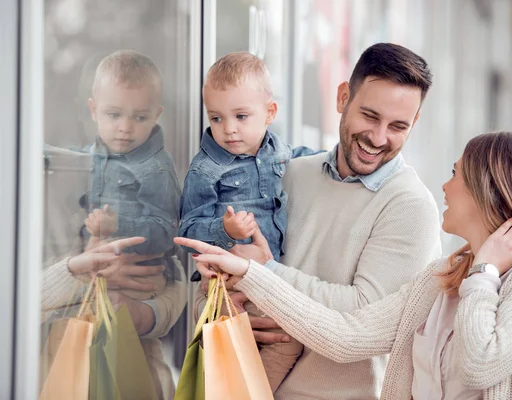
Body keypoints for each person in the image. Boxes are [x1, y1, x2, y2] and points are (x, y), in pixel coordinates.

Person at [179, 131, 512, 400]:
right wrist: (251, 273)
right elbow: (345, 336)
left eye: (456, 174)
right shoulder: (441, 278)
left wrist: (486, 273)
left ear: (489, 189)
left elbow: (480, 364)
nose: (445, 185)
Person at [192, 43, 442, 399]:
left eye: (398, 125)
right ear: (343, 97)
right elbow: (220, 275)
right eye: (370, 116)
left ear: (414, 124)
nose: (379, 137)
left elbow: (362, 315)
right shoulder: (290, 173)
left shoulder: (410, 207)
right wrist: (233, 313)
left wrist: (265, 275)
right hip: (249, 387)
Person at [178, 51, 317, 391]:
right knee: (235, 345)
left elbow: (307, 159)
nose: (229, 129)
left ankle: (252, 392)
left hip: (266, 277)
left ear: (270, 113)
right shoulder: (205, 169)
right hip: (226, 283)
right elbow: (188, 230)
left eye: (241, 116)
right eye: (216, 118)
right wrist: (225, 231)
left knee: (284, 342)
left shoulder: (277, 152)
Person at [82, 49, 181, 292]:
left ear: (156, 115)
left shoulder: (156, 167)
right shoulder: (87, 158)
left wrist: (118, 225)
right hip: (96, 269)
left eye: (139, 117)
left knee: (121, 314)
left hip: (144, 275)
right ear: (94, 110)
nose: (125, 128)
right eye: (114, 115)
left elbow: (168, 233)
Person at [41, 236, 186, 400]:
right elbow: (11, 305)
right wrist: (74, 271)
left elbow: (175, 271)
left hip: (138, 366)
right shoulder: (25, 218)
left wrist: (149, 312)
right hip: (51, 370)